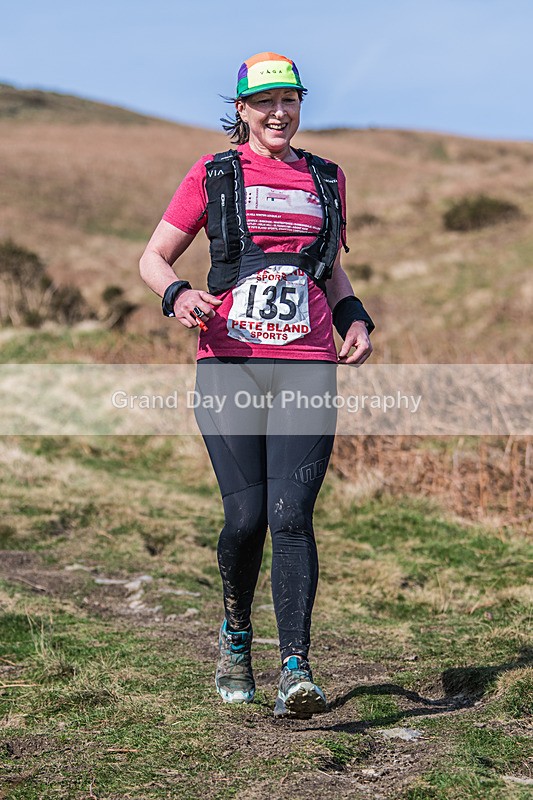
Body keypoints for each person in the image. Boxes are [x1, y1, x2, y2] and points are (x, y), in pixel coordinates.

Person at [139, 52, 374, 719]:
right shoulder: (214, 174)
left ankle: (295, 668)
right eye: (264, 102)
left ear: (299, 106)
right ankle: (236, 636)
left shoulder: (325, 178)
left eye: (289, 100)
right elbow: (152, 258)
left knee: (291, 517)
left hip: (305, 364)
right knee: (245, 519)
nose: (278, 112)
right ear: (240, 110)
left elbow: (329, 273)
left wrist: (354, 318)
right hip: (229, 363)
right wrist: (178, 294)